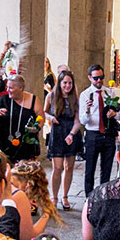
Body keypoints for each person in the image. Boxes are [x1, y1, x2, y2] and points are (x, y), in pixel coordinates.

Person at [44, 70, 83, 210]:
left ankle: (65, 196)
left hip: (71, 133)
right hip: (57, 132)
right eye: (65, 83)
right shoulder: (51, 96)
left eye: (70, 83)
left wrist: (72, 134)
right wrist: (50, 118)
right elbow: (44, 112)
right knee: (58, 167)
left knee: (69, 167)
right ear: (59, 83)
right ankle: (54, 197)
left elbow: (78, 121)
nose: (67, 86)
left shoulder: (75, 99)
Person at [79, 64, 119, 197]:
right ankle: (89, 198)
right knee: (90, 169)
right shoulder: (85, 95)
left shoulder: (109, 92)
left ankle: (103, 197)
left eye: (101, 77)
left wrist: (114, 114)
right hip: (92, 134)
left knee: (106, 169)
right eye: (96, 78)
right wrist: (87, 110)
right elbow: (82, 121)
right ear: (90, 78)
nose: (99, 81)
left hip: (107, 134)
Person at [0, 75, 44, 163]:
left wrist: (37, 128)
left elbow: (41, 116)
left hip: (26, 145)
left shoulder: (33, 99)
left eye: (11, 88)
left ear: (20, 88)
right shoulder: (3, 100)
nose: (7, 90)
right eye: (7, 87)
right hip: (5, 144)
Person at [10, 160, 62, 240]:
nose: (32, 201)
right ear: (29, 186)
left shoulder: (1, 182)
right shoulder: (18, 195)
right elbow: (28, 236)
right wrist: (47, 213)